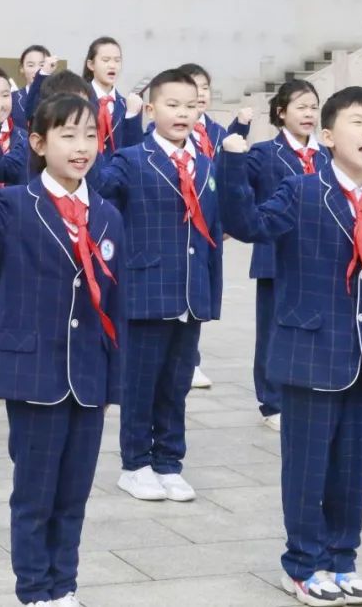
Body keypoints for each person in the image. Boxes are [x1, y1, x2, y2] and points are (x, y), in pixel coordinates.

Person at [219, 86, 362, 607]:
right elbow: (247, 225)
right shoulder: (302, 190)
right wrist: (232, 164)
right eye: (357, 123)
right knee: (306, 465)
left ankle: (341, 558)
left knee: (352, 464)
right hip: (308, 350)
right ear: (326, 136)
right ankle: (301, 564)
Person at [0, 93, 123, 607]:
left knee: (74, 493)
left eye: (90, 135)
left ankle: (65, 585)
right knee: (36, 493)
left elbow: (117, 302)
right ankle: (35, 590)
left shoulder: (107, 214)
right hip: (33, 367)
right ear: (38, 143)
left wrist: (116, 379)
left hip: (88, 372)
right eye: (68, 135)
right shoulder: (14, 204)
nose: (81, 146)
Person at [91, 69, 221, 505]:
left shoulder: (205, 163)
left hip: (189, 291)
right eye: (172, 105)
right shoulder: (131, 159)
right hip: (145, 288)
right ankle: (135, 463)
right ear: (151, 109)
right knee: (140, 383)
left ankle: (169, 461)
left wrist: (210, 291)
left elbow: (213, 233)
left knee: (176, 383)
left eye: (190, 106)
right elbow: (98, 194)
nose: (182, 113)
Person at [242, 80, 328, 433]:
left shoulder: (327, 156)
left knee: (314, 329)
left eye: (313, 107)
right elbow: (239, 195)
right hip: (276, 255)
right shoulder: (263, 154)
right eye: (301, 107)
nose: (308, 114)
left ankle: (306, 391)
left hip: (320, 256)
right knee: (274, 330)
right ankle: (271, 400)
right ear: (281, 112)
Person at [176, 62, 253, 390]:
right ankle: (187, 360)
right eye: (194, 87)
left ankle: (191, 355)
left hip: (211, 225)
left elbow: (226, 173)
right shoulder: (175, 131)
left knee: (204, 291)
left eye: (205, 87)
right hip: (181, 224)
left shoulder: (219, 132)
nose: (202, 93)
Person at [82, 36, 128, 153]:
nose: (112, 65)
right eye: (106, 60)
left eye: (117, 60)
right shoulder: (80, 100)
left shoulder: (127, 105)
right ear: (91, 65)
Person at [12, 44, 51, 128]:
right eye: (30, 65)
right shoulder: (12, 99)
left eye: (42, 65)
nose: (37, 70)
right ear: (22, 68)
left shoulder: (58, 98)